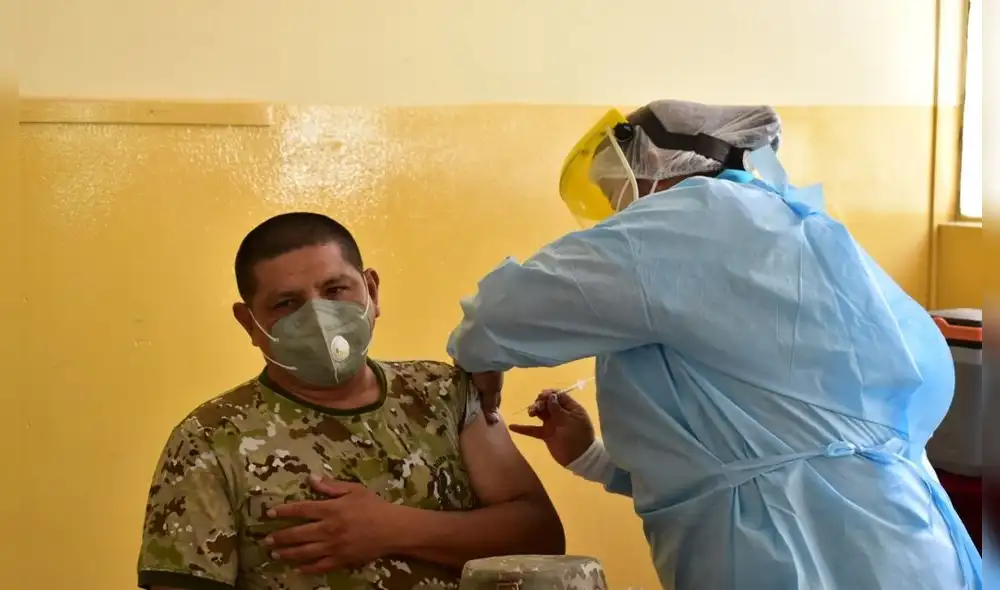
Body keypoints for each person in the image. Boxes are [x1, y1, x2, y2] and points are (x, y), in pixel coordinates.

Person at [446, 100, 983, 589]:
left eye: (622, 192)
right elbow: (765, 454)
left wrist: (480, 356)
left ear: (658, 169)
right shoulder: (798, 232)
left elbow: (500, 314)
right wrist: (593, 458)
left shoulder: (694, 220)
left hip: (805, 560)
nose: (619, 215)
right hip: (910, 546)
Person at [137, 212, 565, 590]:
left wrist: (394, 528)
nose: (319, 316)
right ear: (249, 322)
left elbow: (540, 536)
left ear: (372, 291)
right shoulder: (210, 438)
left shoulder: (443, 391)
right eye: (287, 303)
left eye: (335, 289)